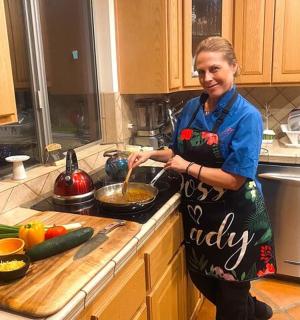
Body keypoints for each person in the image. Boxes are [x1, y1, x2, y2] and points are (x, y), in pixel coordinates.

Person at [128, 36, 276, 320]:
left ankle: (246, 309)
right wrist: (150, 154)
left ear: (234, 67)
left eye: (215, 69)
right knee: (202, 278)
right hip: (201, 217)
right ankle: (256, 310)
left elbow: (235, 179)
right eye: (201, 71)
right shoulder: (193, 108)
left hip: (236, 221)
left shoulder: (247, 117)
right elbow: (178, 149)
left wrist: (187, 168)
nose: (207, 78)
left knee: (230, 303)